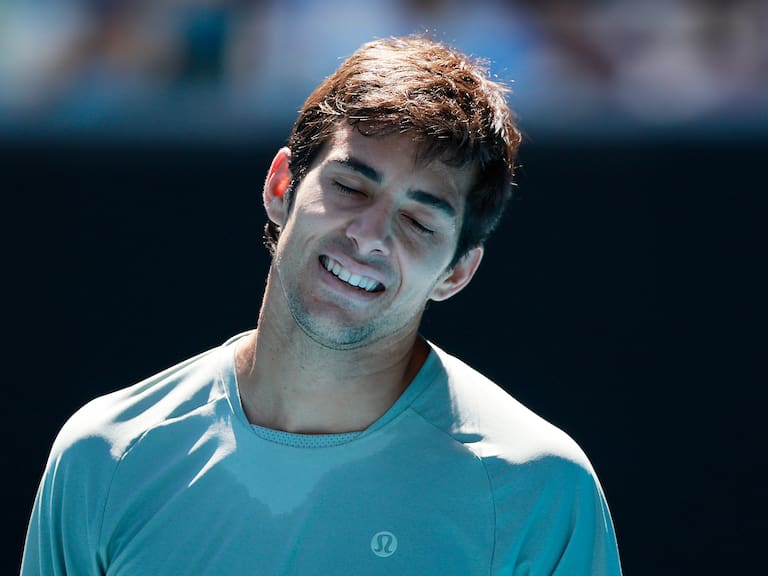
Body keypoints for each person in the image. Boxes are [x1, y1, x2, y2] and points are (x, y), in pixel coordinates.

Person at [22, 36, 622, 575]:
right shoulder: (104, 456)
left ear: (459, 270)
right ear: (282, 186)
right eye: (350, 187)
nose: (369, 235)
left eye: (418, 221)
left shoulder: (539, 489)